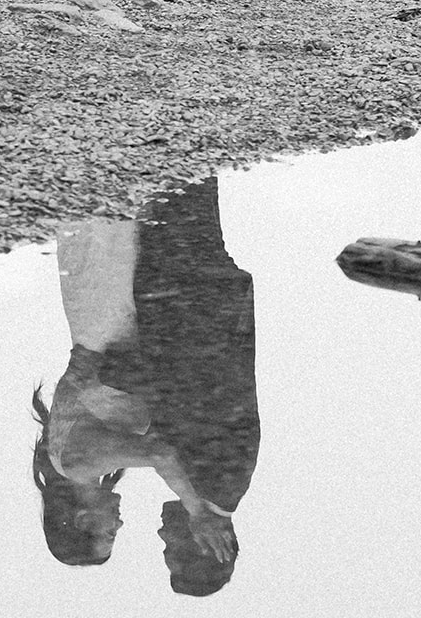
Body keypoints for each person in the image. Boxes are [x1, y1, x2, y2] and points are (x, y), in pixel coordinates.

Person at [32, 181, 260, 594]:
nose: (122, 525)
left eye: (109, 533)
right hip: (116, 319)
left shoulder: (80, 465)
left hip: (113, 320)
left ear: (82, 520)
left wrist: (197, 509)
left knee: (124, 209)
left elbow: (158, 447)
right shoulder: (83, 462)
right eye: (170, 550)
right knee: (118, 210)